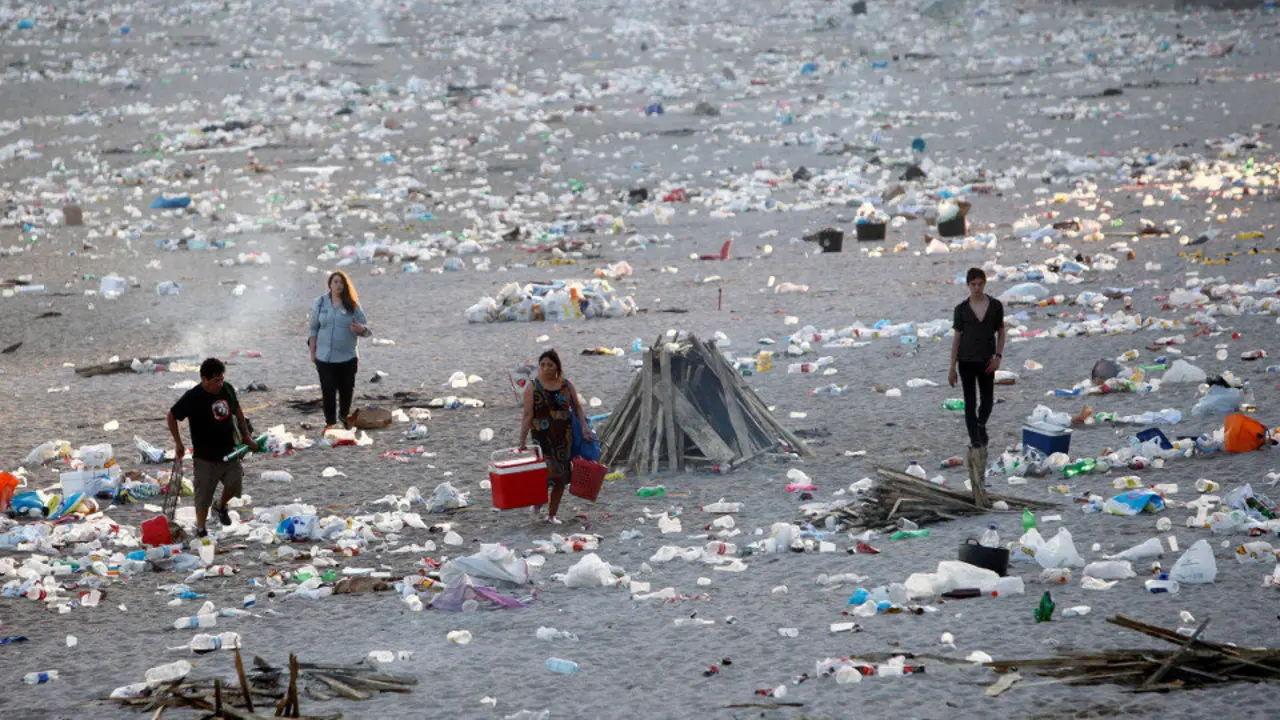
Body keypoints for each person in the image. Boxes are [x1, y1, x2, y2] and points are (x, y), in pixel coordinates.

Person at [167, 358, 253, 538]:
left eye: (221, 379)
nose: (220, 383)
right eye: (216, 380)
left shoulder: (227, 389)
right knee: (203, 496)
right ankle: (200, 528)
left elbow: (237, 410)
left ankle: (220, 506)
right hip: (204, 456)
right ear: (204, 379)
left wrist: (246, 436)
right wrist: (178, 443)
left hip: (230, 451)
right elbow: (172, 416)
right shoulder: (193, 397)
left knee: (235, 484)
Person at [518, 350, 592, 524]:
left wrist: (584, 426)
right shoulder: (533, 387)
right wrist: (522, 439)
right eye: (542, 364)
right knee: (549, 473)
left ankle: (552, 515)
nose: (546, 368)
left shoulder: (566, 385)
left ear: (557, 366)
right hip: (542, 438)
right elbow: (528, 415)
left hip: (563, 436)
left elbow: (578, 408)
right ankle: (538, 501)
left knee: (562, 476)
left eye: (550, 365)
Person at [948, 267, 1006, 449]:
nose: (977, 288)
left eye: (980, 284)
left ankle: (981, 425)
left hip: (987, 360)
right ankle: (975, 440)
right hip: (965, 361)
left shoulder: (995, 306)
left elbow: (1001, 332)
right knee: (970, 401)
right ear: (968, 285)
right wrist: (952, 367)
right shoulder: (961, 309)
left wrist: (998, 356)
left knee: (987, 401)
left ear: (984, 283)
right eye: (973, 284)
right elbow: (957, 338)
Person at [308, 271, 372, 428]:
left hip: (347, 356)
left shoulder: (353, 305)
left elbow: (367, 329)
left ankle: (344, 416)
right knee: (328, 390)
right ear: (330, 284)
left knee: (346, 390)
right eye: (335, 282)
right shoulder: (320, 303)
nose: (338, 285)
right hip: (324, 356)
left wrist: (360, 329)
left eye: (341, 282)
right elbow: (313, 329)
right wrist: (312, 352)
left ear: (345, 286)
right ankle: (330, 423)